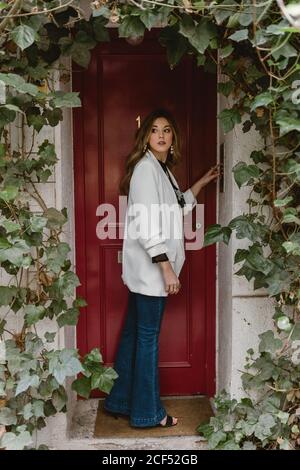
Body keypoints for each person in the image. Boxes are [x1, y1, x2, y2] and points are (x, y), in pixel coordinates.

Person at [104, 108, 220, 428]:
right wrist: (167, 270)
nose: (160, 134)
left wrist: (202, 183)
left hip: (146, 274)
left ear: (172, 139)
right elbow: (146, 226)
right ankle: (147, 413)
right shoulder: (146, 170)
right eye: (154, 129)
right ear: (146, 138)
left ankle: (121, 401)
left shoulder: (161, 170)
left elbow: (177, 207)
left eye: (166, 130)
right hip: (152, 273)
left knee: (132, 336)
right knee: (147, 340)